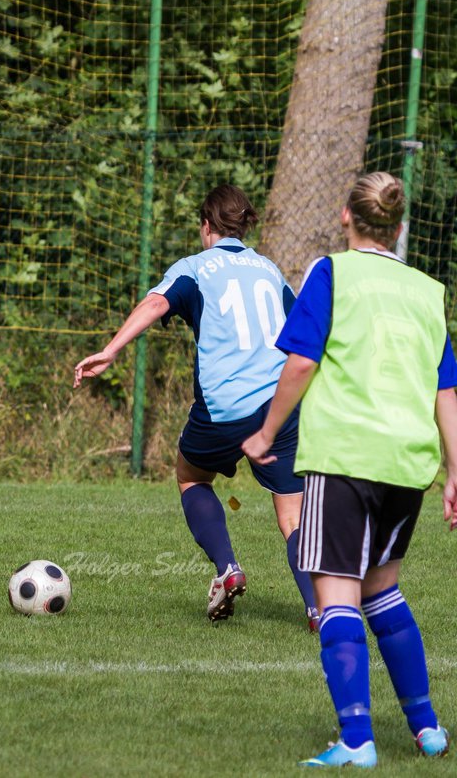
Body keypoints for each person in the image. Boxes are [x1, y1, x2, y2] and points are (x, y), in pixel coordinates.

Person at [242, 171, 455, 767]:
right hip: (408, 462)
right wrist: (456, 470)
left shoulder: (331, 273)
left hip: (345, 456)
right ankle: (428, 727)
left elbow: (303, 361)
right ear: (400, 225)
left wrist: (265, 431)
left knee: (336, 594)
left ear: (345, 217)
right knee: (382, 591)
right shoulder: (426, 289)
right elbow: (446, 390)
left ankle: (357, 741)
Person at [73, 184, 317, 626]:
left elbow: (156, 302)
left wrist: (111, 350)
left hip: (223, 409)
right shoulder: (269, 269)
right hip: (279, 405)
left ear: (206, 226)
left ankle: (227, 568)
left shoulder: (195, 267)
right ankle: (320, 607)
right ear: (244, 226)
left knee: (191, 477)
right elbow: (301, 331)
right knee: (293, 514)